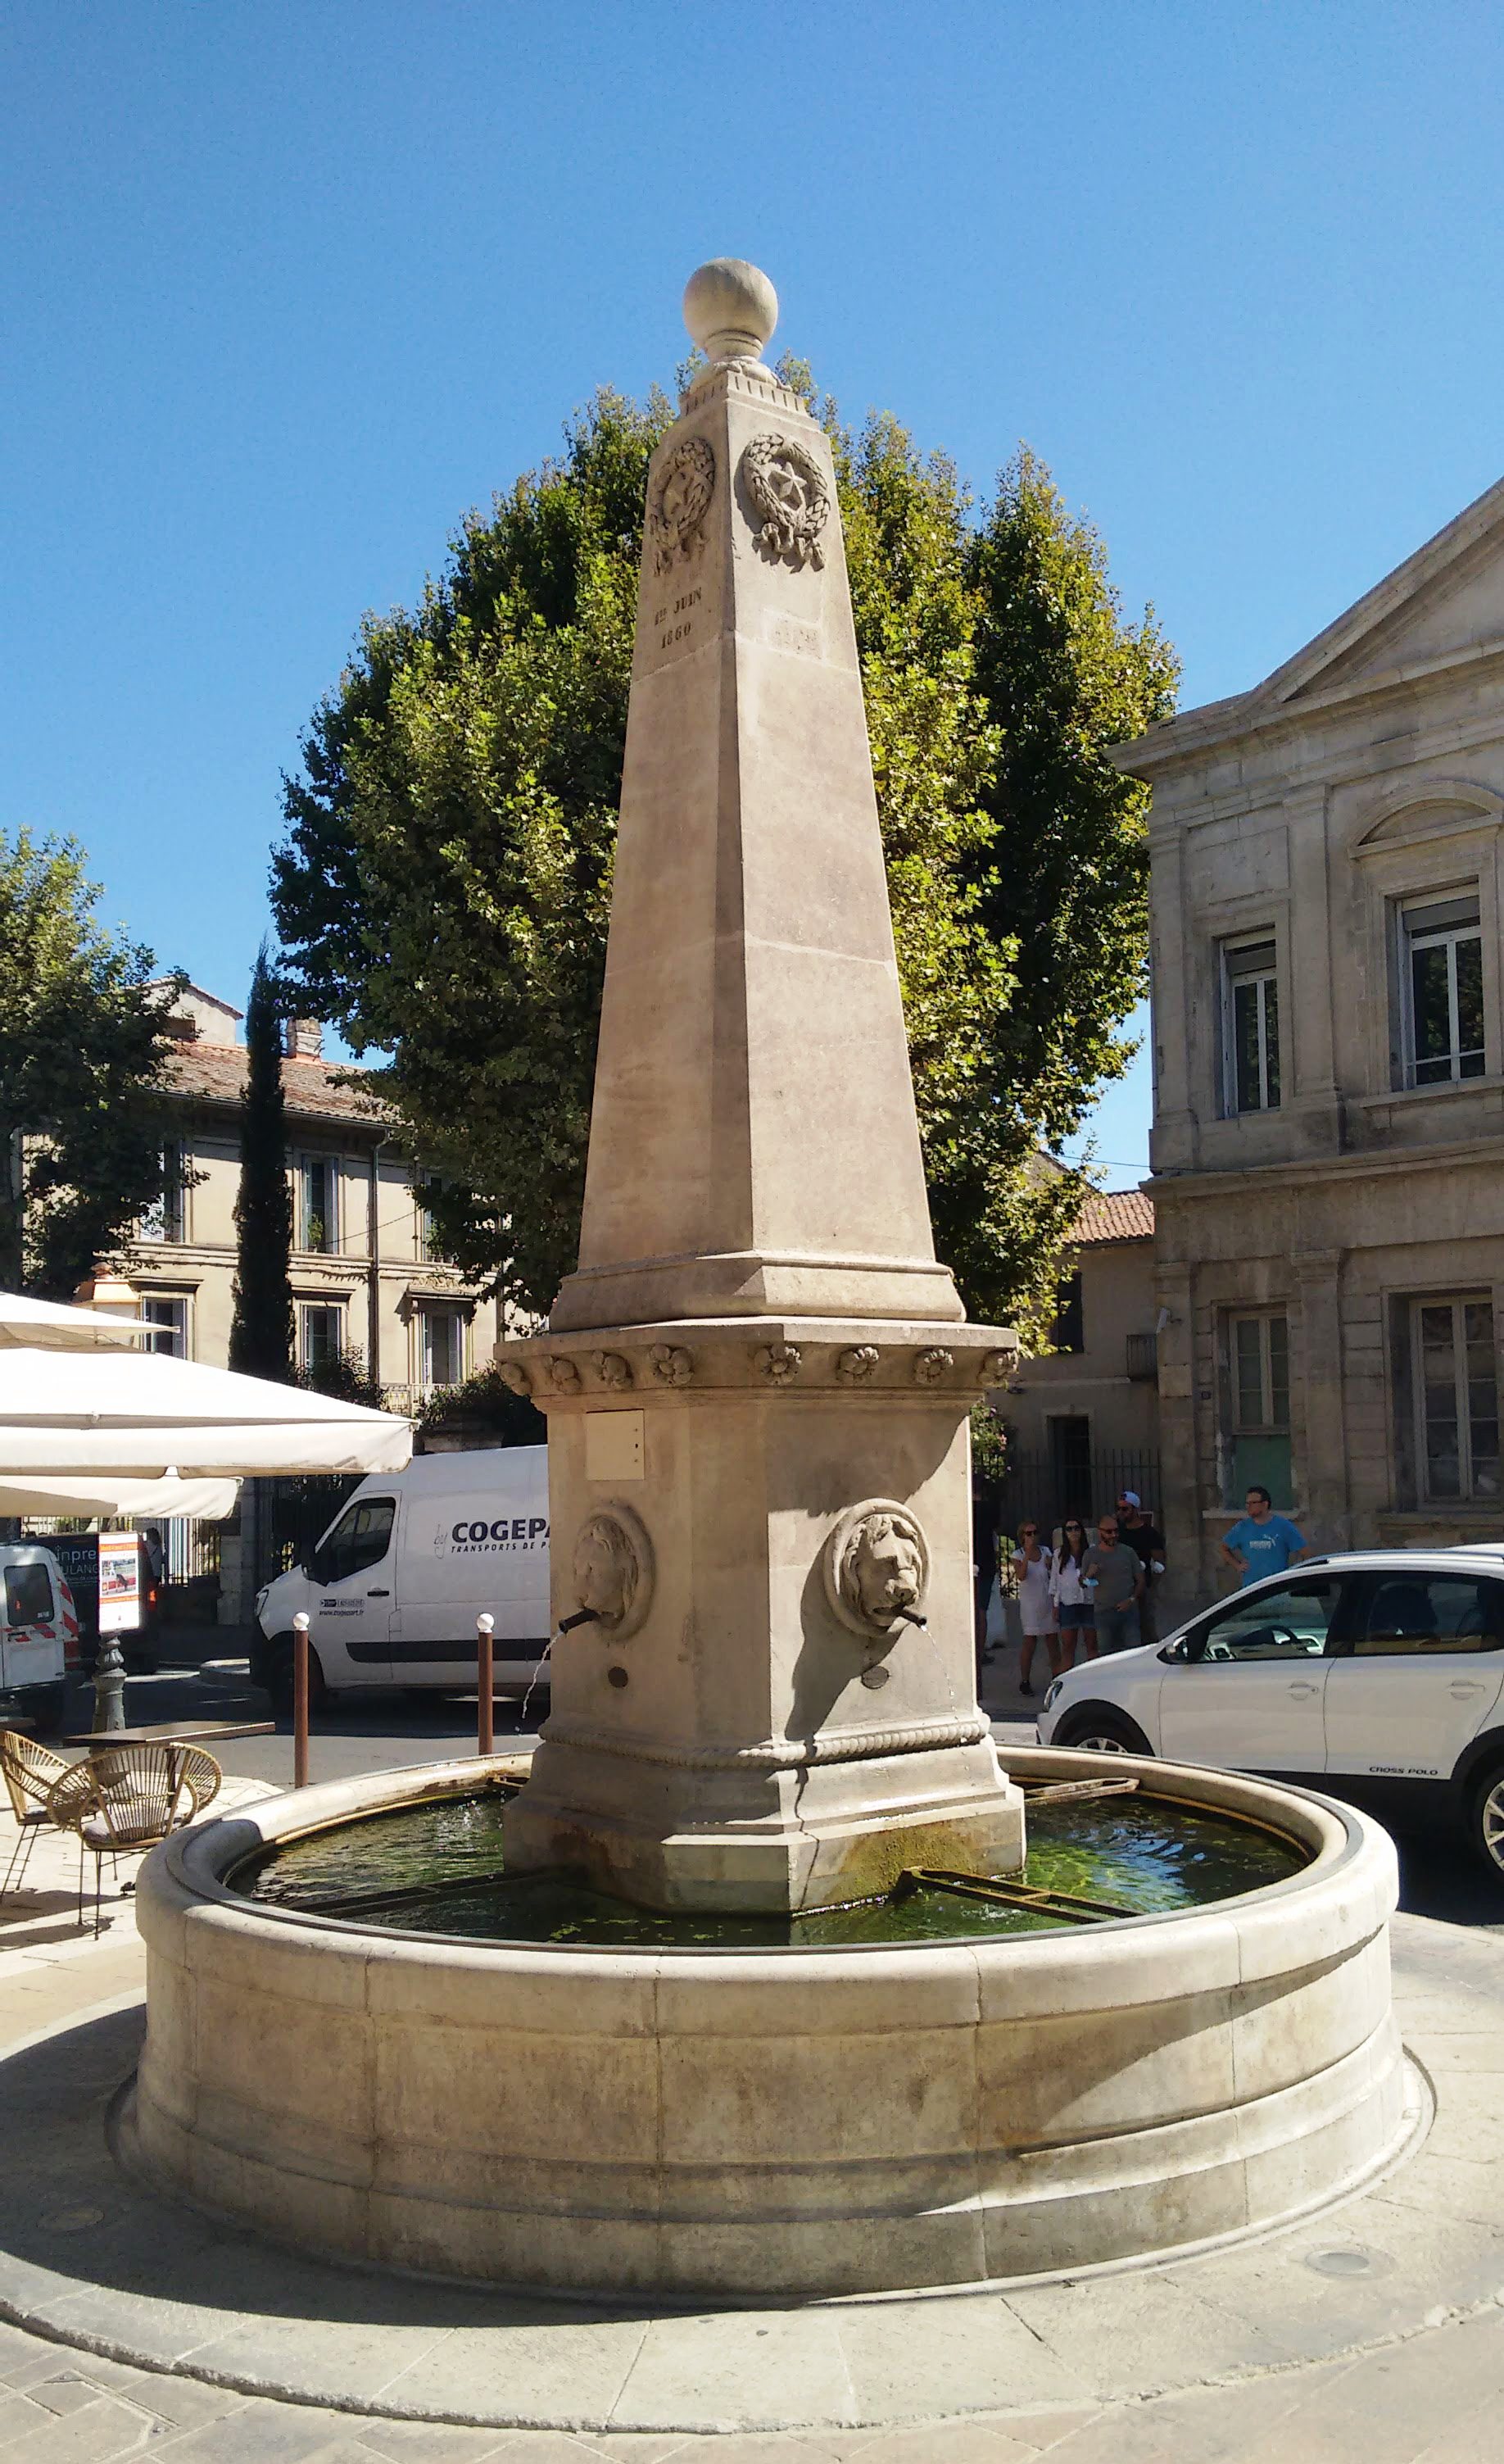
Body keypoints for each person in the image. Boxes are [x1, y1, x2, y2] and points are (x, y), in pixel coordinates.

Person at [1220, 1486, 1310, 1586]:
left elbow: (1305, 1553)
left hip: (1277, 1587)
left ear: (1265, 1504)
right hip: (1251, 1588)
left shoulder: (1284, 1526)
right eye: (1247, 1503)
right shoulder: (1242, 1527)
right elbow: (1224, 1548)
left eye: (1253, 1503)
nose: (1248, 1506)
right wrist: (1238, 1566)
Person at [1081, 1513, 1145, 1654]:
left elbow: (1140, 1581)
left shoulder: (1128, 1552)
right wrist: (1089, 1575)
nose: (1113, 1535)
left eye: (1116, 1531)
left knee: (1133, 1653)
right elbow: (1083, 1583)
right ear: (1100, 1532)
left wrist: (1131, 1599)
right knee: (1106, 1656)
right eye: (1109, 1532)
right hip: (1103, 1613)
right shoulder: (1090, 1554)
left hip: (1129, 1612)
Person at [1009, 1522, 1057, 1696]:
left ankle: (1056, 1677)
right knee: (1030, 1642)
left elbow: (1052, 1569)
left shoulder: (1045, 1552)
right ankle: (1025, 1680)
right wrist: (1028, 1554)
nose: (1032, 1536)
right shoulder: (1018, 1555)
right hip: (1030, 1605)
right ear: (1022, 1536)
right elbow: (1021, 1576)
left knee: (1052, 1641)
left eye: (1035, 1533)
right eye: (1028, 1534)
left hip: (1046, 1600)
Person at [1116, 1490, 1167, 1649]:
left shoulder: (1150, 1534)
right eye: (1119, 1508)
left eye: (1125, 1509)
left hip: (1143, 1586)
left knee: (1146, 1627)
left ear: (1135, 1509)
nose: (1121, 1512)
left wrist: (1151, 1586)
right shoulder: (1117, 1532)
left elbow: (1160, 1564)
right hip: (1122, 1586)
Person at [1049, 1517, 1096, 1670]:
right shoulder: (1058, 1554)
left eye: (1076, 1528)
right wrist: (1055, 1606)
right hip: (1068, 1604)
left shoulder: (1092, 1552)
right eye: (1069, 1529)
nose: (1073, 1532)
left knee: (1092, 1645)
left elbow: (1098, 1580)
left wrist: (1088, 1579)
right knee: (1068, 1647)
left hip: (1089, 1603)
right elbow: (1055, 1582)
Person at [972, 1471, 999, 1682]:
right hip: (987, 1562)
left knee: (974, 1610)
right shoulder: (990, 1509)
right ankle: (980, 1652)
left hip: (970, 1561)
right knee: (982, 1610)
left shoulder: (965, 1509)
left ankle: (974, 1652)